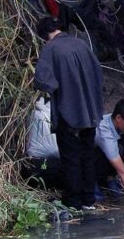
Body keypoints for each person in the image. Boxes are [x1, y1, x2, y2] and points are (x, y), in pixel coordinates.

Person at [33, 16, 104, 211]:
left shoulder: (50, 48)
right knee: (87, 156)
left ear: (44, 36)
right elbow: (98, 74)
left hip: (68, 113)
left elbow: (42, 80)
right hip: (90, 112)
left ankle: (73, 203)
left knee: (71, 158)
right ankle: (89, 200)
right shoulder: (80, 44)